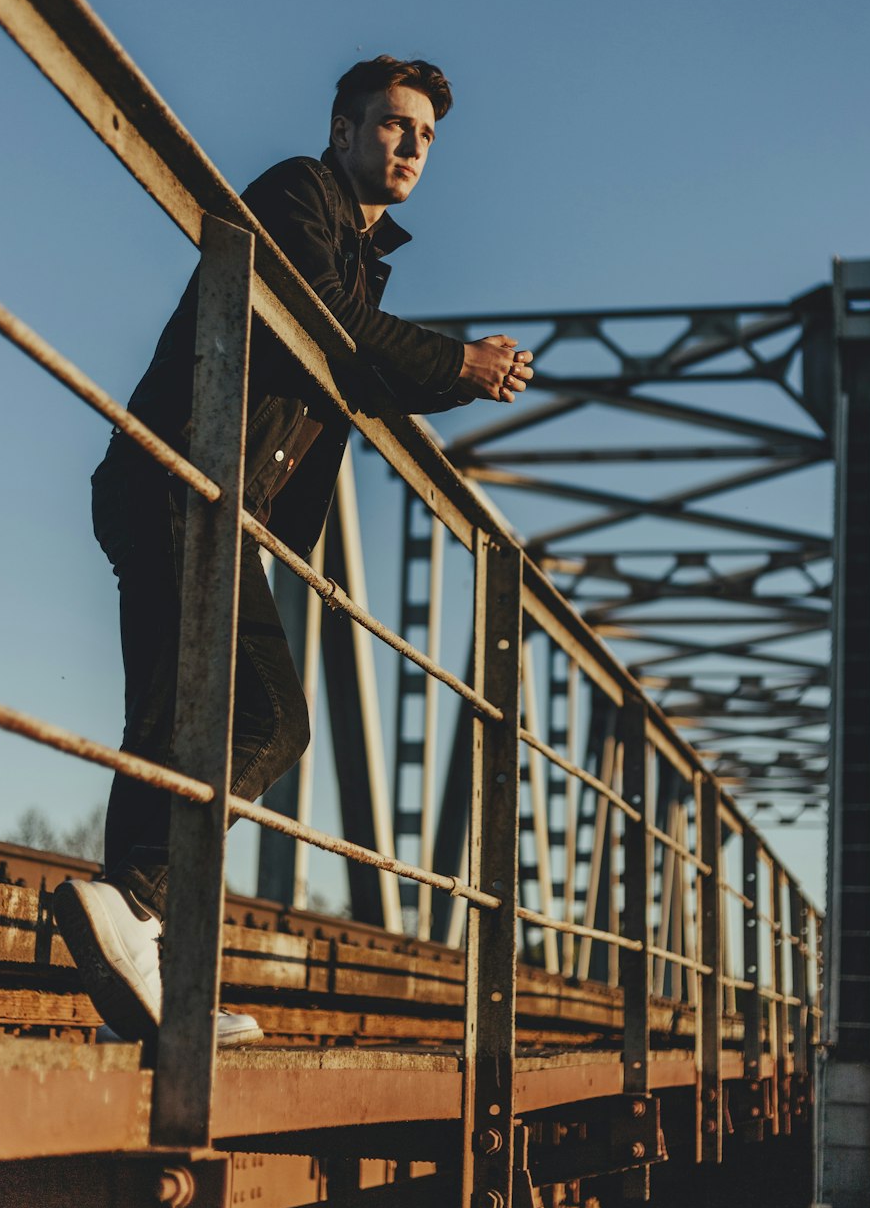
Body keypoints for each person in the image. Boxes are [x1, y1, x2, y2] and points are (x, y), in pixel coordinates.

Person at [53, 56, 533, 1048]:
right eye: (394, 126)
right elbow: (339, 329)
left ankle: (143, 992)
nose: (410, 148)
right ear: (344, 126)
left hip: (188, 492)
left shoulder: (360, 253)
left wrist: (452, 371)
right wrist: (457, 360)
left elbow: (359, 365)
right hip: (185, 484)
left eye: (426, 137)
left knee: (166, 733)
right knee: (269, 720)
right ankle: (134, 904)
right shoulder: (295, 192)